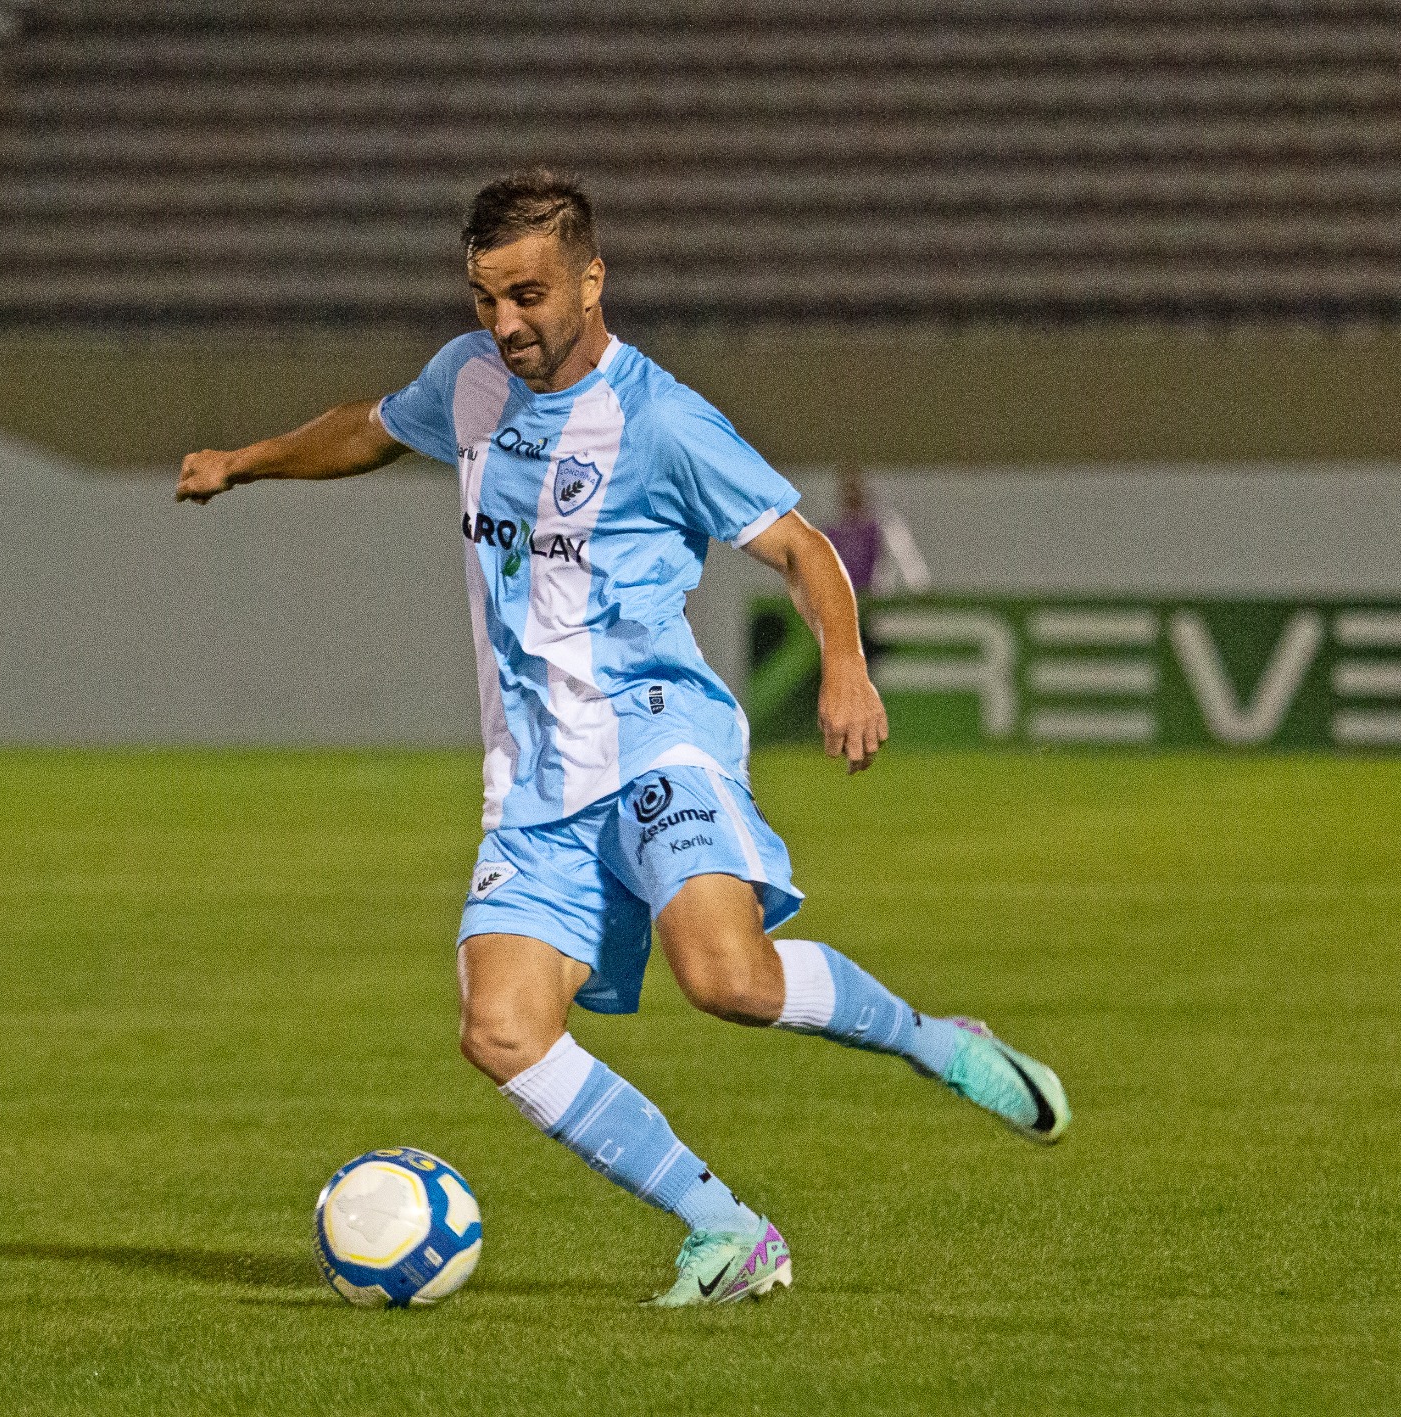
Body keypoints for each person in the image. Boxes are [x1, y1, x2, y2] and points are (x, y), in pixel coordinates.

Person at [177, 168, 1070, 1307]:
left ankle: (933, 1041)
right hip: (532, 784)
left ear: (592, 280)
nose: (505, 323)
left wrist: (844, 665)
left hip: (656, 742)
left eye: (529, 295)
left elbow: (802, 549)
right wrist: (243, 462)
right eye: (484, 298)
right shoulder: (465, 383)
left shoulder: (661, 421)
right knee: (498, 1031)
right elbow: (371, 427)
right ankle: (728, 1230)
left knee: (728, 981)